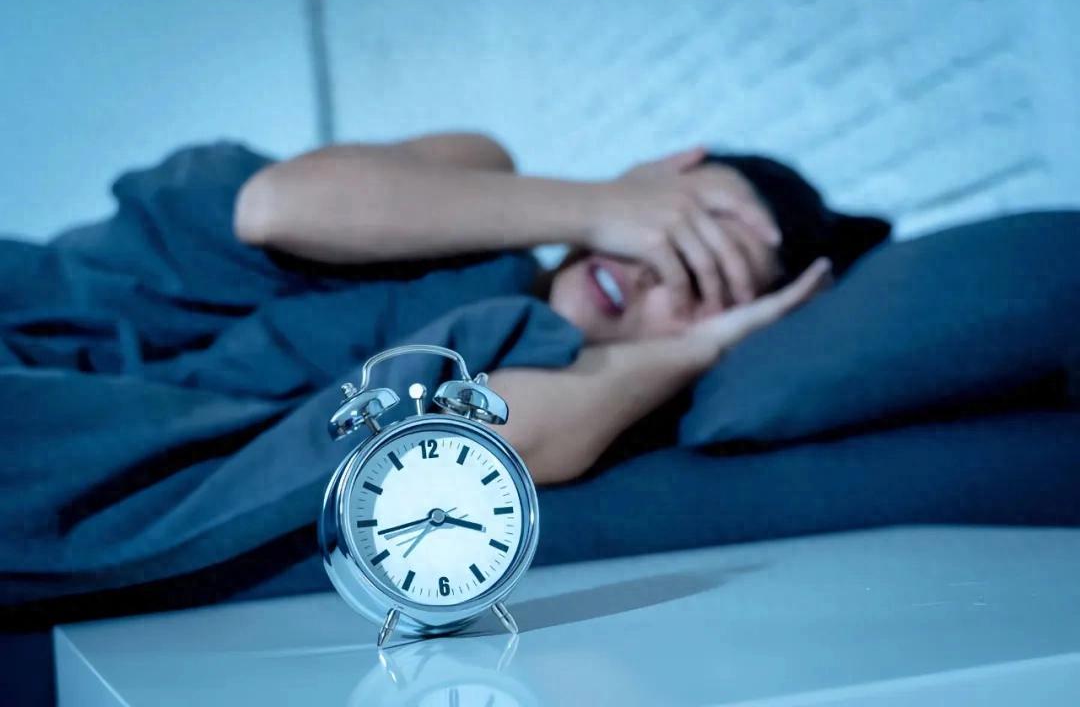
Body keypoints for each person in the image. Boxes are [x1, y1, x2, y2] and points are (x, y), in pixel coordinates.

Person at [234, 132, 888, 485]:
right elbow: (270, 210)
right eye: (671, 216)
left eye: (696, 271)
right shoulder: (479, 166)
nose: (653, 258)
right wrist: (604, 204)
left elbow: (461, 452)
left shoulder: (575, 401)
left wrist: (704, 346)